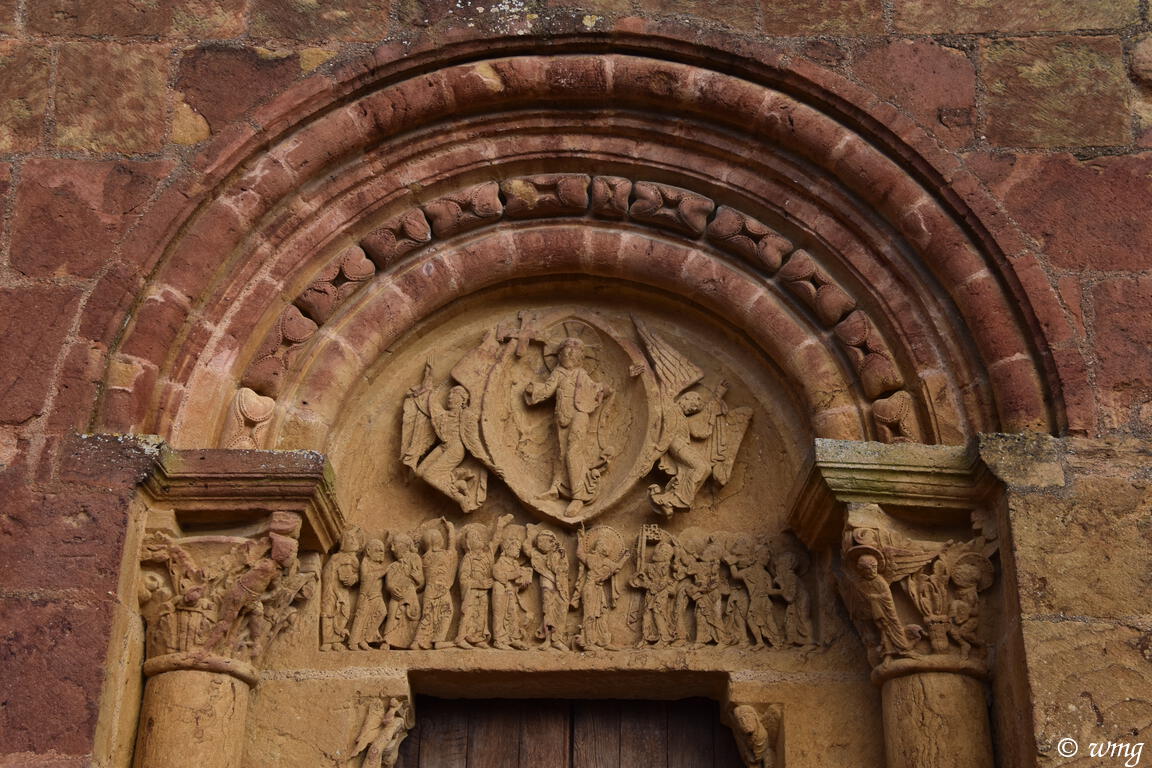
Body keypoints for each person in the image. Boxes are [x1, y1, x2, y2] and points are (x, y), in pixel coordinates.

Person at [524, 337, 611, 517]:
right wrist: (533, 389)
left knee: (573, 452)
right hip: (561, 417)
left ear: (580, 357)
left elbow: (596, 388)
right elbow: (547, 390)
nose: (569, 354)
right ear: (559, 356)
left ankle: (579, 496)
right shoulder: (558, 373)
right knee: (561, 453)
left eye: (574, 352)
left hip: (579, 415)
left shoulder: (581, 374)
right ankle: (556, 488)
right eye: (565, 351)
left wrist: (603, 389)